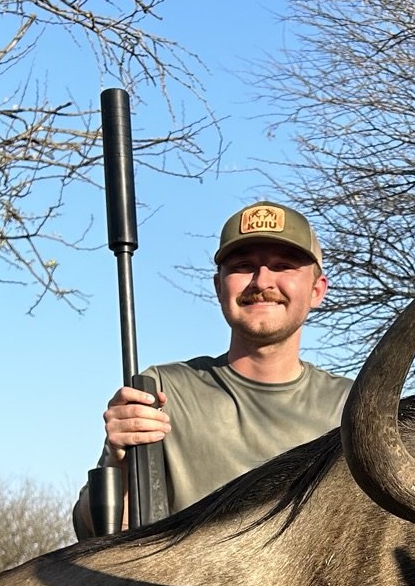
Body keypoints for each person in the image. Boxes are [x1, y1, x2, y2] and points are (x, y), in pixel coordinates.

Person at [73, 200, 352, 536]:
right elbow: (94, 532)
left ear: (317, 290)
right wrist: (116, 459)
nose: (261, 281)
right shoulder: (161, 392)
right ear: (219, 287)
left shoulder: (352, 407)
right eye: (243, 266)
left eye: (283, 266)